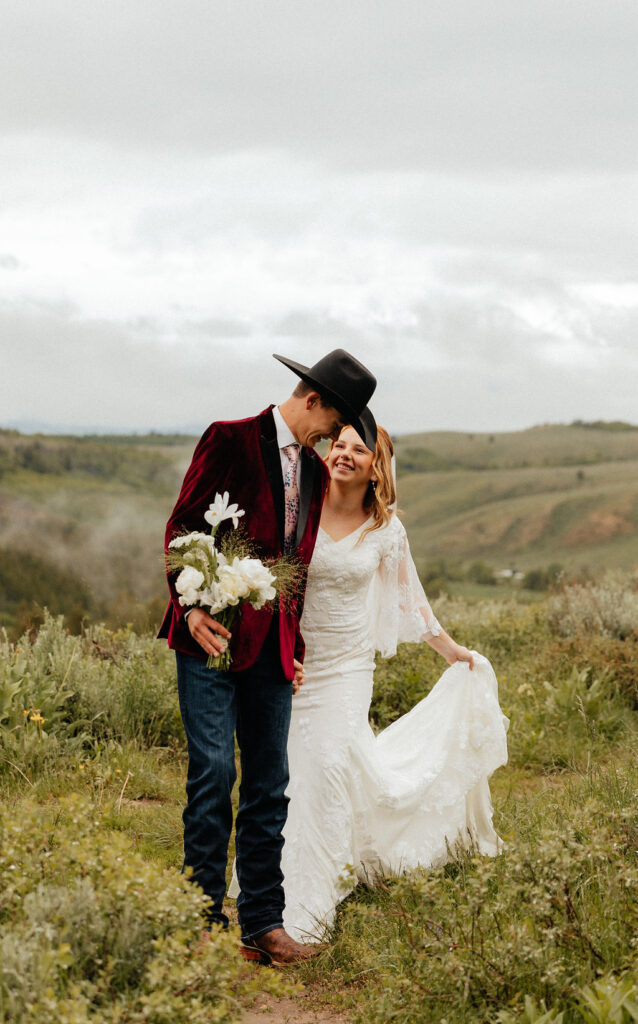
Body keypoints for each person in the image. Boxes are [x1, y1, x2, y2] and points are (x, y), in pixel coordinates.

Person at [158, 349, 377, 966]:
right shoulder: (228, 439)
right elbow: (180, 528)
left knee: (269, 786)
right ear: (313, 400)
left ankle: (262, 926)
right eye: (333, 427)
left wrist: (295, 648)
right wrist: (191, 609)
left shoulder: (311, 471)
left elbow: (296, 572)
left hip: (273, 654)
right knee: (214, 776)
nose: (333, 443)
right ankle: (196, 922)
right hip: (210, 640)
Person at [278, 413, 509, 941]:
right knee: (294, 773)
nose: (343, 455)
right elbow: (277, 587)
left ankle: (314, 901)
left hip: (348, 669)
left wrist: (451, 650)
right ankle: (277, 885)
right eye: (339, 444)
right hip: (297, 666)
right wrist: (279, 652)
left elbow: (411, 599)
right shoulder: (301, 510)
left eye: (358, 450)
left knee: (330, 761)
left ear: (375, 469)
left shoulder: (386, 530)